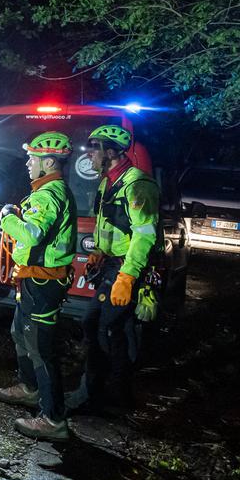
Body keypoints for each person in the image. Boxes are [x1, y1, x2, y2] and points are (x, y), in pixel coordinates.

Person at [0, 132, 77, 441]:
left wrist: (6, 219)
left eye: (33, 158)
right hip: (32, 279)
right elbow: (33, 232)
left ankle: (54, 419)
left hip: (43, 283)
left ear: (49, 162)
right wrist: (4, 228)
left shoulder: (48, 194)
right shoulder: (46, 191)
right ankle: (29, 389)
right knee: (20, 333)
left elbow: (32, 234)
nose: (28, 163)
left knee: (41, 348)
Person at [72, 125, 159, 414]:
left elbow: (144, 234)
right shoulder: (107, 182)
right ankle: (119, 396)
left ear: (110, 152)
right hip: (109, 264)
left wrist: (128, 276)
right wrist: (98, 250)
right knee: (113, 330)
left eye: (94, 148)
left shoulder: (137, 185)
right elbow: (107, 223)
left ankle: (94, 394)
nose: (89, 154)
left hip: (123, 269)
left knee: (99, 326)